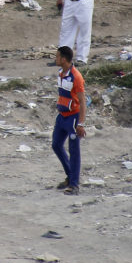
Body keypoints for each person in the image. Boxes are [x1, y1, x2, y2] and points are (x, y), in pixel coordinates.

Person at [51, 45, 87, 195]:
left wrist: (81, 123)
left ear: (64, 59)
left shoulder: (76, 77)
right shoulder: (61, 73)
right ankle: (70, 176)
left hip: (72, 118)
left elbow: (83, 102)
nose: (55, 59)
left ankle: (74, 185)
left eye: (57, 56)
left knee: (74, 150)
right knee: (56, 145)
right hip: (62, 116)